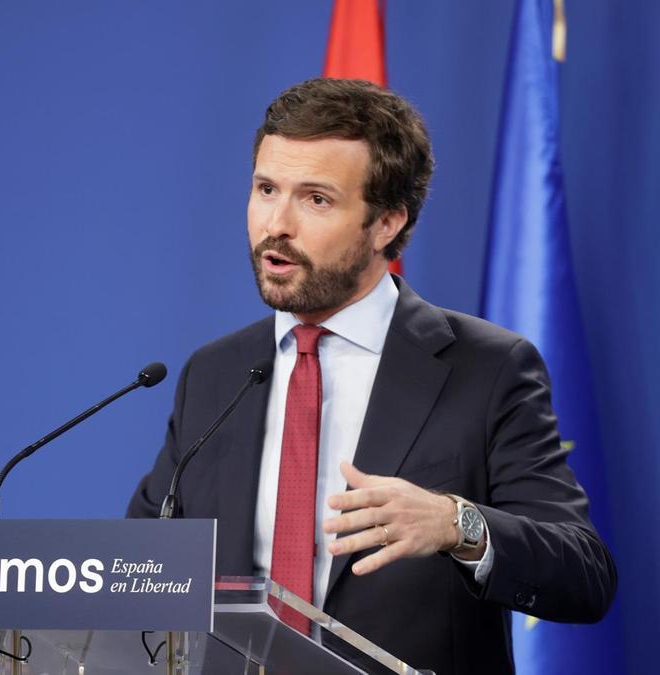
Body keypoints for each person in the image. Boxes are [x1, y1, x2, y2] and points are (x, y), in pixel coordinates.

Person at [127, 78, 615, 674]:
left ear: (386, 223)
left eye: (316, 200)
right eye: (266, 189)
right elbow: (141, 571)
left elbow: (584, 574)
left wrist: (455, 524)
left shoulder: (488, 369)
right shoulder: (215, 372)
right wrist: (15, 634)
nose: (275, 224)